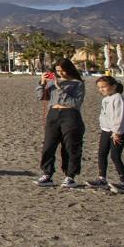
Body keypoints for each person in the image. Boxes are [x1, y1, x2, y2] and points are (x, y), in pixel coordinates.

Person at [35, 58, 85, 188]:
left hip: (70, 115)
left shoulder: (77, 83)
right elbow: (42, 97)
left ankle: (70, 176)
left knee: (70, 146)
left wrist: (59, 88)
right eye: (57, 71)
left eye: (62, 70)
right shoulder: (52, 81)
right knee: (48, 145)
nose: (60, 73)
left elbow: (75, 103)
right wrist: (42, 82)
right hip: (53, 114)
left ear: (69, 69)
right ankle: (47, 174)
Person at [87, 76, 124, 193]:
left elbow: (119, 116)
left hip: (119, 131)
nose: (101, 89)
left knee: (115, 156)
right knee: (102, 153)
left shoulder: (118, 98)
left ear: (113, 86)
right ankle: (102, 179)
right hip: (106, 130)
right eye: (99, 88)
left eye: (104, 87)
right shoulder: (106, 99)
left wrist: (117, 132)